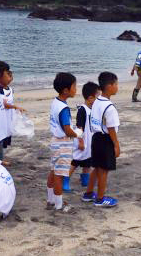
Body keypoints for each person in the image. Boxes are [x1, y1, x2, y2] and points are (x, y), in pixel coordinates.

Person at [83, 72, 120, 208]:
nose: (117, 87)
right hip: (105, 140)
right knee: (104, 170)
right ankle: (100, 198)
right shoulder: (110, 107)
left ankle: (88, 194)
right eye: (116, 84)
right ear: (109, 86)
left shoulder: (97, 101)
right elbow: (111, 128)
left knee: (97, 168)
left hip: (96, 138)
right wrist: (116, 145)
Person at [46, 73, 79, 212]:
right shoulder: (64, 108)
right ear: (66, 90)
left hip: (55, 142)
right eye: (74, 86)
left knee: (53, 171)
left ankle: (50, 199)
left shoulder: (55, 102)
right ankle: (58, 205)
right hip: (63, 143)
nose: (76, 89)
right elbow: (67, 130)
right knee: (59, 174)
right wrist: (78, 134)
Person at [66, 82, 98, 192]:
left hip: (90, 141)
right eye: (97, 98)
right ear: (90, 98)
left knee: (88, 161)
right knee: (76, 161)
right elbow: (79, 127)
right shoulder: (82, 110)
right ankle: (65, 180)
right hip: (82, 140)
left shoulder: (92, 109)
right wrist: (80, 141)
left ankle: (85, 179)